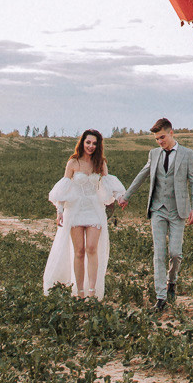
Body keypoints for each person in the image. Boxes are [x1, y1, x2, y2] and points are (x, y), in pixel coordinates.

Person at [124, 117, 193, 311]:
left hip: (178, 211)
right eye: (157, 139)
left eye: (162, 137)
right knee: (159, 253)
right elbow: (142, 175)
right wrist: (126, 196)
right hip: (157, 209)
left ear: (171, 133)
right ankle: (160, 297)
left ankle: (172, 281)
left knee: (175, 253)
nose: (160, 142)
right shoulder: (154, 154)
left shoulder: (187, 154)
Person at [42, 128, 124, 299]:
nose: (91, 146)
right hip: (76, 210)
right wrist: (59, 212)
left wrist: (119, 197)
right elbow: (63, 189)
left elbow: (109, 185)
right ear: (82, 142)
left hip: (94, 210)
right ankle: (79, 292)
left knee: (92, 249)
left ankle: (92, 292)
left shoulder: (100, 163)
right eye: (88, 142)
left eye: (94, 143)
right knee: (79, 251)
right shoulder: (73, 163)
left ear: (98, 145)